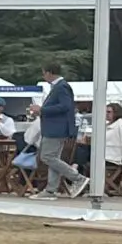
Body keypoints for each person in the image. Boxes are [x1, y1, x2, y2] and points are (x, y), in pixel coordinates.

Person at [33, 61, 82, 197]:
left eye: (44, 74)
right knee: (53, 158)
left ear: (49, 73)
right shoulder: (59, 87)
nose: (43, 77)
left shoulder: (61, 87)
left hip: (56, 128)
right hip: (56, 128)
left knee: (47, 157)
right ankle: (51, 190)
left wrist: (42, 110)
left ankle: (77, 178)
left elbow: (66, 106)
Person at [101, 102, 122, 187]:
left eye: (109, 112)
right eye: (106, 112)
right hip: (103, 154)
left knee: (81, 151)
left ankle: (76, 172)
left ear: (116, 113)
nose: (106, 114)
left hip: (113, 158)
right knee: (81, 149)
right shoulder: (105, 125)